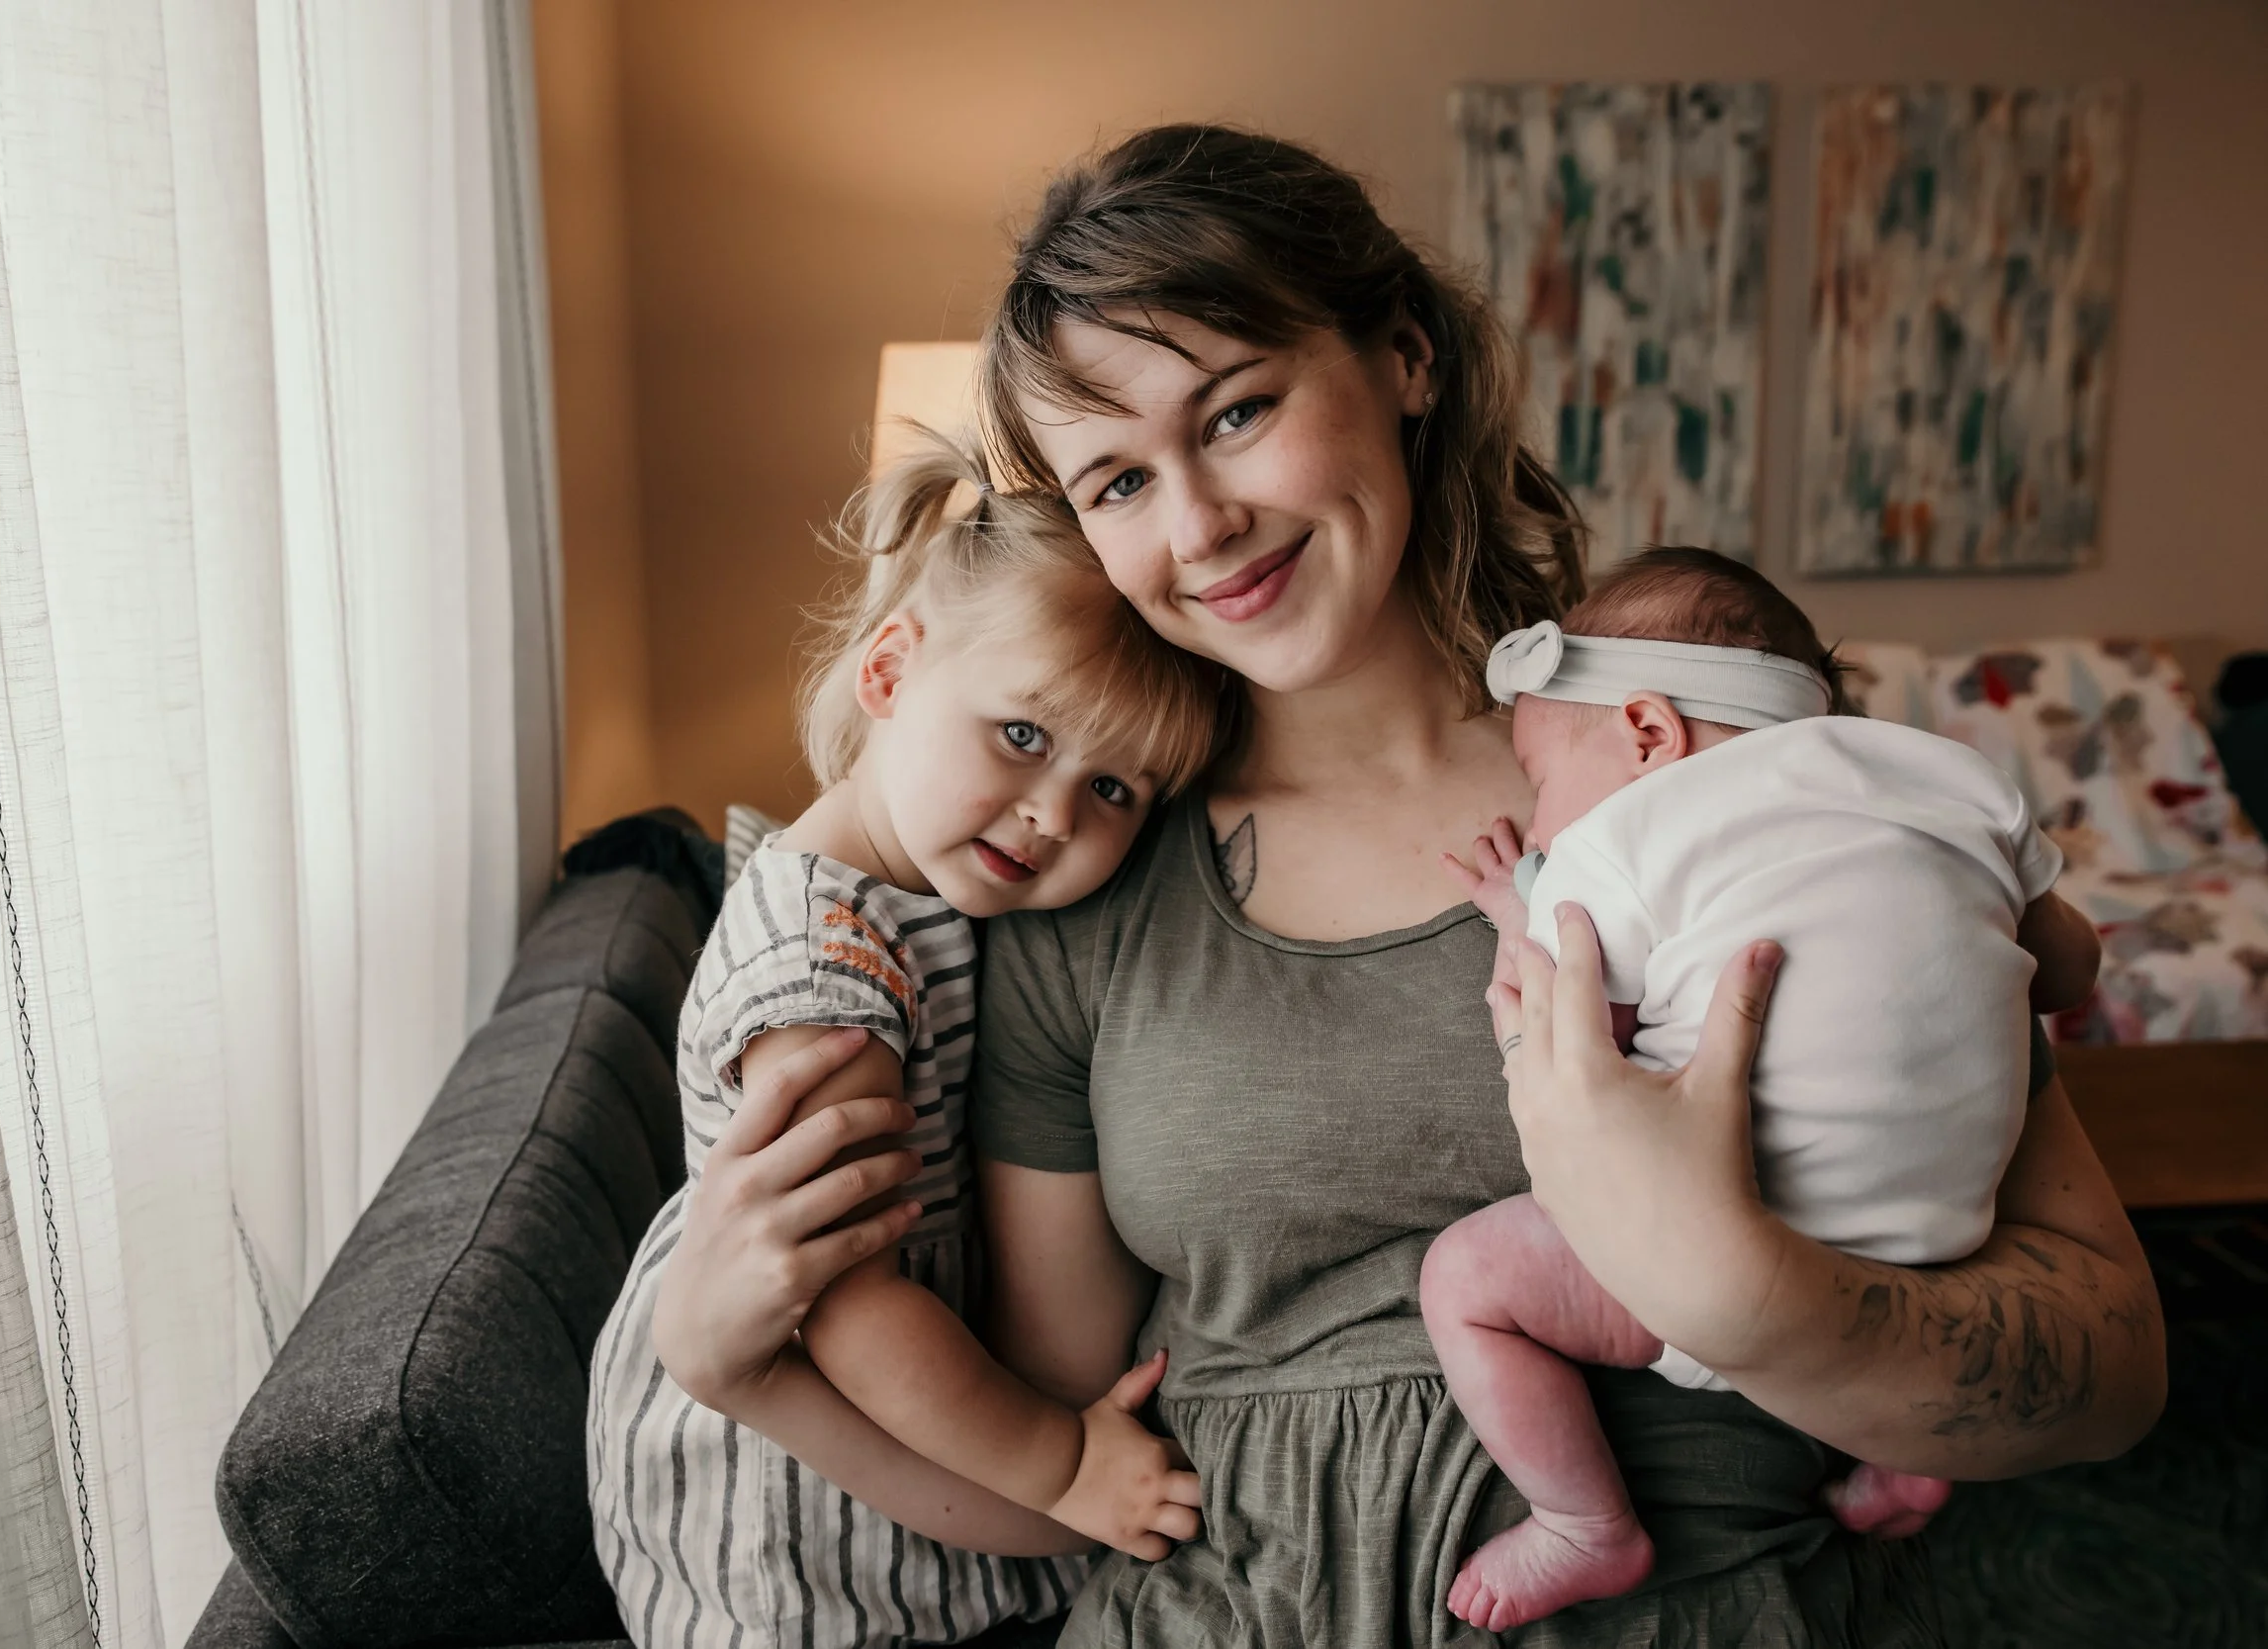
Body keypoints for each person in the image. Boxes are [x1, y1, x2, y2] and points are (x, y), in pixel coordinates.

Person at [650, 126, 2167, 1647]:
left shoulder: (1690, 754)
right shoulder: (1073, 868)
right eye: (1117, 479)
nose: (1198, 527)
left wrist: (1758, 1294)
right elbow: (1065, 1444)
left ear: (1405, 357)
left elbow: (2106, 1367)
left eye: (1238, 410)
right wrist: (744, 1370)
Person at [589, 432, 1222, 1647]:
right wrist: (1061, 1465)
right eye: (1024, 737)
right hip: (784, 1535)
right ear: (889, 669)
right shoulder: (825, 966)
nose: (1050, 814)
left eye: (1115, 791)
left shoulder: (916, 899)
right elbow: (845, 1303)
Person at [1419, 549, 2106, 1633]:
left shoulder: (1625, 839)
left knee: (1465, 1278)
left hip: (1722, 1251)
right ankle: (1902, 1450)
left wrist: (1520, 908)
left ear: (1649, 733)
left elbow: (1575, 1028)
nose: (1542, 820)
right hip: (1947, 1244)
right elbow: (2067, 969)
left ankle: (1584, 1522)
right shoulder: (1955, 777)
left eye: (1541, 781)